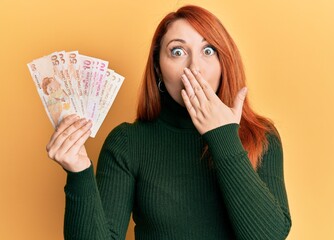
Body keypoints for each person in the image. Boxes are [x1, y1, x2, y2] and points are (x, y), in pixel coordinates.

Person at [46, 5, 292, 240]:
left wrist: (223, 137)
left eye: (208, 51)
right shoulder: (129, 143)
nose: (195, 67)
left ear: (224, 62)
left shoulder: (262, 135)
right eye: (178, 52)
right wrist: (79, 172)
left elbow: (269, 235)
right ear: (158, 68)